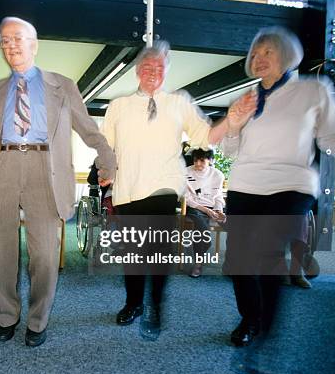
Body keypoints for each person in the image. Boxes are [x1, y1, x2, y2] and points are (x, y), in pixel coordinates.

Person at [0, 16, 116, 348]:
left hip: (45, 167)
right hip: (3, 166)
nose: (10, 45)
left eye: (17, 39)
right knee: (1, 253)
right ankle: (7, 314)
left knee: (46, 256)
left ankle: (38, 319)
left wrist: (106, 156)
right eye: (4, 41)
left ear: (34, 45)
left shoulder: (62, 86)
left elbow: (87, 127)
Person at [101, 40, 237, 341]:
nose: (153, 71)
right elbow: (106, 148)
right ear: (137, 70)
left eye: (159, 66)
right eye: (147, 66)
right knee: (134, 255)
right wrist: (106, 170)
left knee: (158, 253)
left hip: (164, 189)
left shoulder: (179, 103)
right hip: (128, 191)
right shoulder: (118, 106)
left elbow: (206, 137)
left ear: (166, 71)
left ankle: (155, 307)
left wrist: (230, 120)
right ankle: (133, 303)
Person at [221, 26, 335, 351]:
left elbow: (332, 139)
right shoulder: (246, 98)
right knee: (238, 260)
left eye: (267, 52)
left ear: (286, 55)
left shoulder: (314, 90)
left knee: (268, 251)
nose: (259, 59)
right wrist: (233, 123)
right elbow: (230, 149)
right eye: (255, 55)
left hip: (291, 185)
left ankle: (265, 329)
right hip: (246, 185)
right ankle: (251, 319)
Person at [184, 148, 225, 278]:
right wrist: (206, 210)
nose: (198, 164)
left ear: (211, 160)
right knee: (203, 231)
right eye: (196, 160)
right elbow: (187, 199)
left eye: (202, 160)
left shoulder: (218, 175)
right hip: (195, 208)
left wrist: (219, 210)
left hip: (212, 207)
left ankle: (236, 264)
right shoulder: (186, 172)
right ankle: (198, 264)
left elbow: (218, 196)